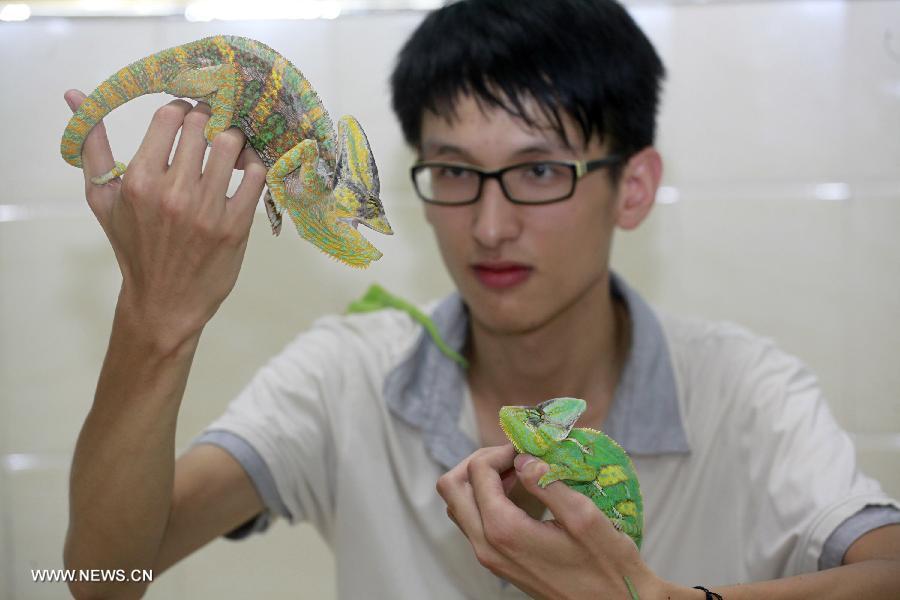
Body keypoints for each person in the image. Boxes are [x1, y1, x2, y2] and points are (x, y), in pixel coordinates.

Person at [63, 0, 900, 598]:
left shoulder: (744, 389)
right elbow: (104, 578)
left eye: (540, 171)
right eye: (456, 172)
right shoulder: (344, 374)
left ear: (634, 188)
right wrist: (157, 316)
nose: (490, 226)